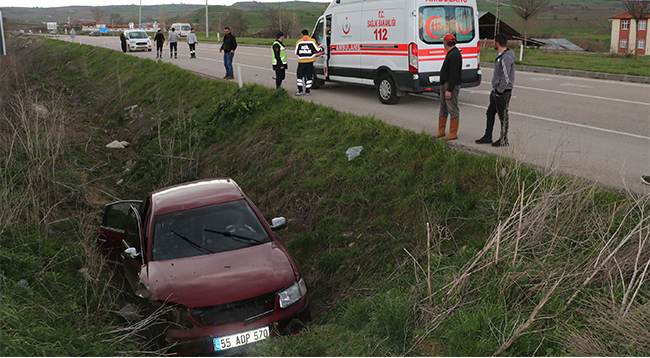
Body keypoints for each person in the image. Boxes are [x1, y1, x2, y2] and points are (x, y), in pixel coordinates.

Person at [476, 33, 515, 147]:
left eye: (493, 42)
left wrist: (499, 91)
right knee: (490, 113)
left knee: (503, 116)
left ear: (497, 43)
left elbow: (506, 77)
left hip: (502, 92)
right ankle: (488, 136)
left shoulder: (505, 57)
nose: (493, 44)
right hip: (496, 90)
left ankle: (503, 139)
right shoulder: (502, 55)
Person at [434, 33, 463, 141]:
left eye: (443, 42)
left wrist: (449, 90)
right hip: (444, 84)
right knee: (443, 108)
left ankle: (453, 133)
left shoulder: (455, 55)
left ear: (446, 43)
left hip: (450, 85)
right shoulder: (451, 53)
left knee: (452, 108)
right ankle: (441, 131)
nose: (443, 44)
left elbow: (454, 74)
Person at [294, 29, 321, 96]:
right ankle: (307, 91)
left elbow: (296, 52)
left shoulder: (299, 42)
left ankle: (300, 90)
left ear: (302, 35)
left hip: (301, 61)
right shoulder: (312, 41)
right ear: (308, 34)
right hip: (310, 61)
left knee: (299, 77)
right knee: (309, 76)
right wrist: (322, 48)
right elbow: (318, 50)